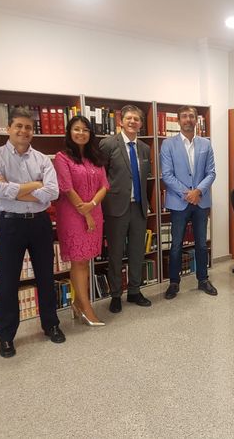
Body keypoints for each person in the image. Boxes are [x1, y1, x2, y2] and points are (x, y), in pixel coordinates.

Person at [0, 107, 65, 358]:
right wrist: (35, 186)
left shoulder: (42, 159)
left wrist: (16, 190)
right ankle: (6, 336)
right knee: (8, 281)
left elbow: (52, 192)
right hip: (11, 224)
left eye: (28, 127)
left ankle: (51, 325)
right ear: (9, 128)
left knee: (46, 277)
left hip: (40, 223)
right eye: (18, 126)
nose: (23, 131)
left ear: (33, 131)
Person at [54, 116, 109, 326]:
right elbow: (66, 188)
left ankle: (78, 303)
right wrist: (85, 212)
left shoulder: (95, 157)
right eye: (76, 129)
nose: (81, 133)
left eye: (85, 130)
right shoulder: (62, 158)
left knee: (85, 261)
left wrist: (92, 205)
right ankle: (86, 307)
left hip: (95, 212)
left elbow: (105, 185)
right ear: (69, 132)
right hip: (73, 215)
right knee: (78, 261)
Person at [160, 106, 217, 299]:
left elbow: (211, 173)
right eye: (184, 116)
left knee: (201, 244)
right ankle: (174, 282)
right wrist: (188, 194)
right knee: (176, 245)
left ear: (196, 120)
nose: (188, 119)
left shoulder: (206, 144)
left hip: (201, 201)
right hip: (179, 202)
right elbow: (167, 175)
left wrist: (198, 191)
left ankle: (203, 279)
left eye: (191, 116)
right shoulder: (168, 144)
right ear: (178, 120)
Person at [99, 105, 152, 313]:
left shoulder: (145, 148)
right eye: (129, 118)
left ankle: (134, 291)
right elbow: (101, 176)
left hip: (138, 207)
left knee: (137, 252)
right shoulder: (108, 144)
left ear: (141, 124)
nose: (132, 122)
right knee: (115, 253)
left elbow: (145, 179)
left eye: (136, 119)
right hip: (116, 208)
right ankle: (115, 295)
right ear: (121, 121)